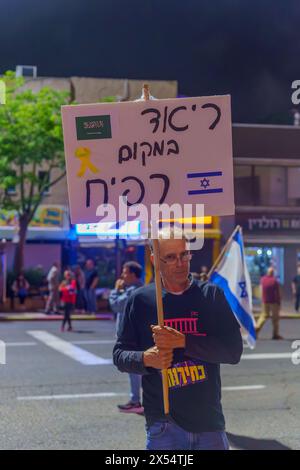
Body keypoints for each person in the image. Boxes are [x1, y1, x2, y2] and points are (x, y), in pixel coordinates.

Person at [113, 229, 243, 450]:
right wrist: (145, 358)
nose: (180, 263)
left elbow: (233, 352)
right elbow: (119, 355)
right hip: (164, 424)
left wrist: (184, 342)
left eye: (184, 255)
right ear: (155, 259)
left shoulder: (211, 296)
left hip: (208, 421)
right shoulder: (141, 301)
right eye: (171, 257)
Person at [109, 261, 144, 414]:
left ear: (132, 274)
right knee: (138, 371)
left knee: (135, 370)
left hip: (132, 337)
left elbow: (116, 305)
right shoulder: (133, 289)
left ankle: (136, 401)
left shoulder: (132, 291)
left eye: (125, 272)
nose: (122, 275)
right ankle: (139, 400)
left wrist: (115, 290)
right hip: (135, 335)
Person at [256, 267, 282, 340]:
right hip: (274, 302)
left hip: (265, 301)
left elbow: (260, 289)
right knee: (275, 319)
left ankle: (256, 329)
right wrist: (279, 302)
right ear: (273, 273)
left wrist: (262, 299)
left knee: (263, 316)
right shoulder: (275, 281)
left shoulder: (263, 280)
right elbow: (278, 293)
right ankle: (275, 334)